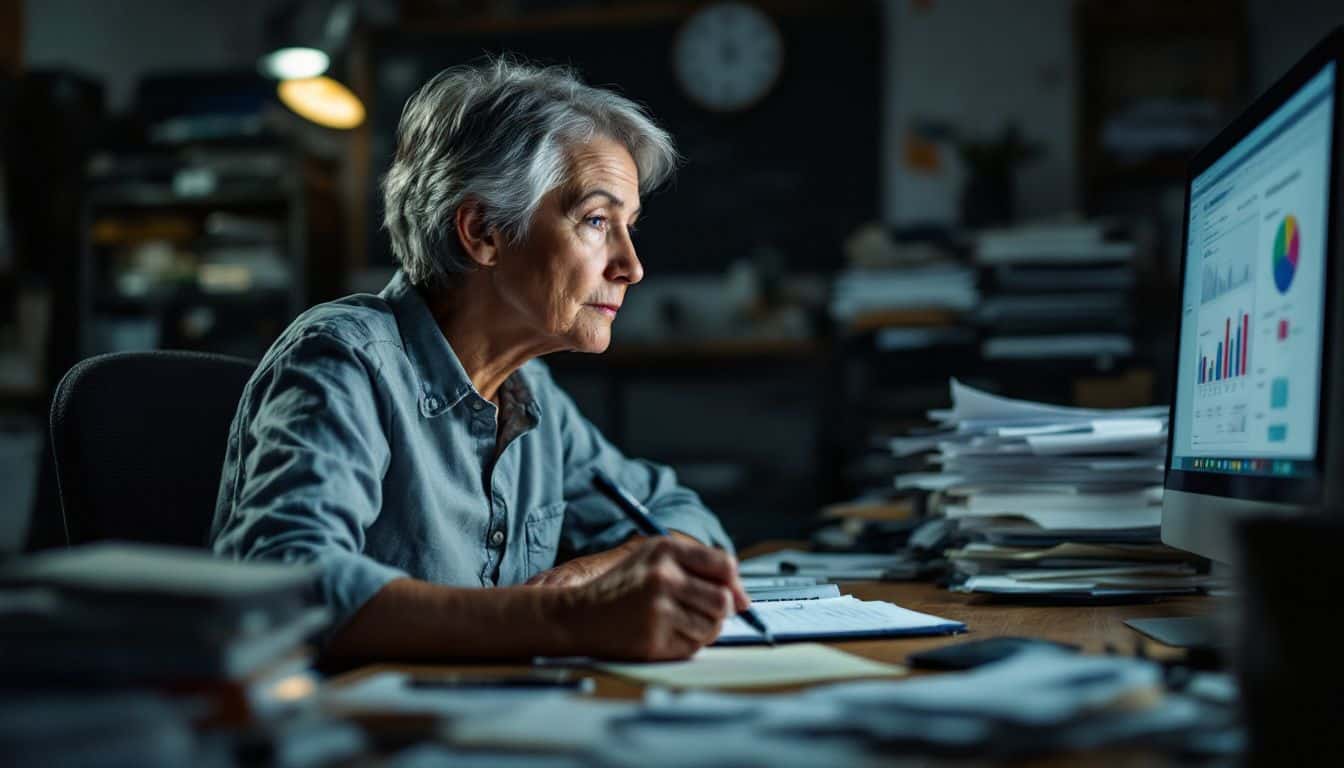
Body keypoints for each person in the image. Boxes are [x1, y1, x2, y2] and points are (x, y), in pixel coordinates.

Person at [210, 58, 749, 661]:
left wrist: (592, 575)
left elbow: (684, 515)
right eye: (597, 221)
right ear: (484, 231)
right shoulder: (344, 359)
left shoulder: (528, 389)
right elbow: (286, 585)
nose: (631, 266)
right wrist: (568, 617)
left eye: (629, 226)